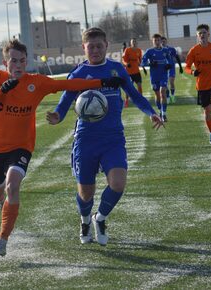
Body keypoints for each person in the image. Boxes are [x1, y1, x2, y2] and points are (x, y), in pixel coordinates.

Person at [0, 39, 124, 256]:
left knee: (12, 187)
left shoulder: (36, 82)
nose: (18, 65)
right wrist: (3, 91)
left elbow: (66, 85)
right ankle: (0, 200)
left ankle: (2, 239)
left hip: (20, 147)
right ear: (5, 62)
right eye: (14, 61)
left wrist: (101, 83)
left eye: (22, 61)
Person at [46, 27, 163, 246]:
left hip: (113, 138)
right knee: (86, 193)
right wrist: (57, 116)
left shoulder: (116, 70)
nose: (96, 50)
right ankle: (84, 221)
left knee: (118, 184)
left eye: (99, 46)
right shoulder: (78, 74)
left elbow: (135, 96)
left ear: (107, 46)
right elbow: (64, 102)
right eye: (91, 47)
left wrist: (151, 113)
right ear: (84, 48)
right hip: (86, 140)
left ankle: (99, 219)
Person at [185, 24, 211, 144]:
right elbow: (186, 67)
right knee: (207, 111)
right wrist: (192, 72)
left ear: (208, 34)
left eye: (204, 32)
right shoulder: (194, 50)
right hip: (202, 86)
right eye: (200, 33)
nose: (202, 35)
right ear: (197, 36)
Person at [141, 33, 173, 122]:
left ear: (161, 41)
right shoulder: (149, 51)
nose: (157, 42)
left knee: (163, 92)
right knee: (157, 95)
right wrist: (150, 63)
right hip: (154, 76)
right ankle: (159, 111)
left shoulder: (165, 50)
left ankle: (164, 114)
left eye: (158, 40)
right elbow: (142, 62)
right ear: (153, 41)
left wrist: (169, 65)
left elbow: (170, 60)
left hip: (163, 75)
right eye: (155, 40)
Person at [122, 38, 146, 107]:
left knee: (139, 85)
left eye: (135, 42)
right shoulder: (127, 50)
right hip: (129, 72)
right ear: (131, 43)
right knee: (128, 87)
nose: (134, 43)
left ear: (137, 43)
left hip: (136, 71)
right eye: (133, 42)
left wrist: (143, 68)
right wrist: (126, 64)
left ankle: (140, 99)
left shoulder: (139, 50)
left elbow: (140, 61)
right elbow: (123, 60)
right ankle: (126, 100)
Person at [161, 36, 183, 104]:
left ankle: (172, 96)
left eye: (164, 41)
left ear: (166, 41)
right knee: (165, 84)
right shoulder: (159, 50)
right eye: (162, 41)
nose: (163, 42)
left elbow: (177, 57)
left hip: (171, 68)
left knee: (171, 82)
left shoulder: (171, 49)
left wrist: (180, 67)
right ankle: (167, 96)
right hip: (163, 69)